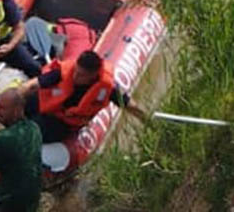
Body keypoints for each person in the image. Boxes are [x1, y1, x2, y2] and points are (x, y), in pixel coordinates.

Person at [18, 49, 147, 143]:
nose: (75, 77)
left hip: (63, 123)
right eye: (76, 71)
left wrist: (147, 120)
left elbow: (129, 105)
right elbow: (32, 85)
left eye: (81, 75)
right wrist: (15, 96)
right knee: (16, 104)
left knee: (28, 131)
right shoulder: (66, 71)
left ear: (93, 75)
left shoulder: (107, 87)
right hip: (47, 104)